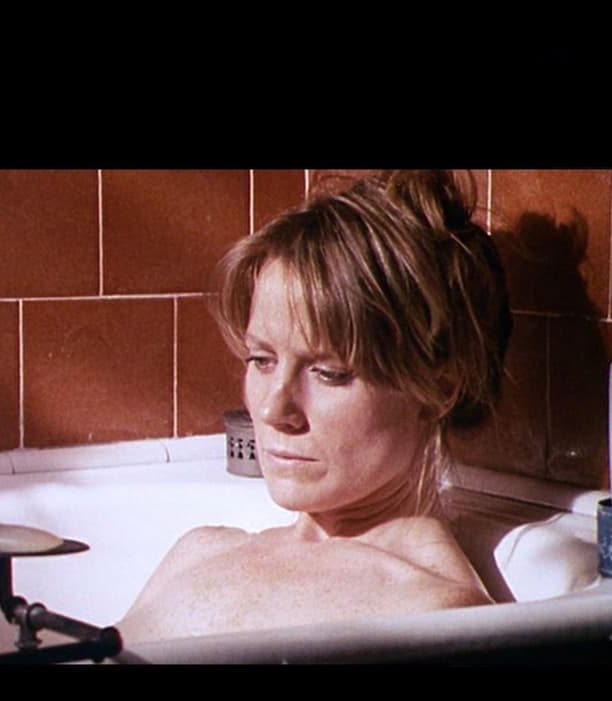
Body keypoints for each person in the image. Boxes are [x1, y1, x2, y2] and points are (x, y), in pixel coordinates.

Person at [117, 170, 513, 644]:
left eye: (329, 373)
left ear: (438, 389)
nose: (273, 408)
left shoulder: (432, 614)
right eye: (261, 360)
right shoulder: (198, 551)